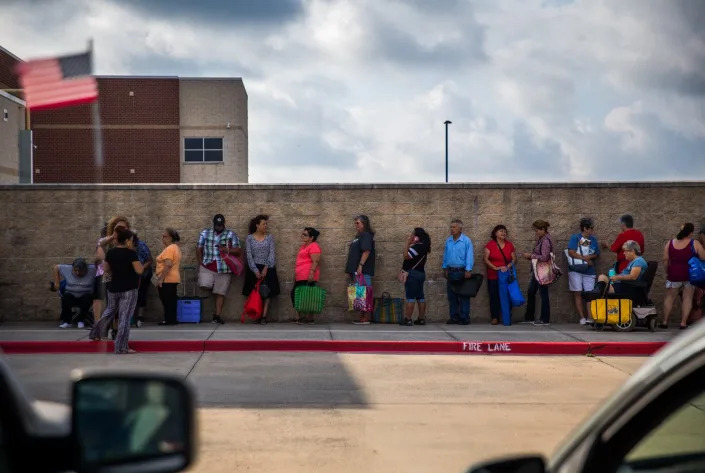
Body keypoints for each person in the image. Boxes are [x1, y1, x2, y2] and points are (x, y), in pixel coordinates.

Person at [89, 228, 144, 354]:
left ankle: (95, 332)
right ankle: (121, 346)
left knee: (108, 312)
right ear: (127, 240)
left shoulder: (111, 253)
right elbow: (139, 270)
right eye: (130, 239)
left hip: (113, 288)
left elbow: (106, 269)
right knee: (124, 317)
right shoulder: (131, 254)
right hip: (129, 289)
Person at [196, 214, 241, 324]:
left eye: (221, 225)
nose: (219, 227)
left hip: (224, 268)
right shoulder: (205, 233)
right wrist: (201, 262)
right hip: (208, 265)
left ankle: (217, 316)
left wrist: (227, 250)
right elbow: (198, 248)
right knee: (204, 285)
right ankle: (213, 288)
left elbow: (238, 250)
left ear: (224, 224)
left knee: (220, 292)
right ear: (214, 224)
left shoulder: (231, 234)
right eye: (217, 225)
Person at [660, 223, 705, 330]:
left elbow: (665, 259)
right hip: (690, 274)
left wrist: (668, 271)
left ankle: (665, 321)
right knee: (687, 298)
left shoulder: (670, 243)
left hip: (674, 273)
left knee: (669, 298)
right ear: (691, 232)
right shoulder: (695, 243)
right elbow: (703, 257)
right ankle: (683, 323)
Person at [243, 215, 281, 324]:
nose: (266, 226)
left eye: (266, 224)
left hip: (268, 268)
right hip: (254, 268)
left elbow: (272, 254)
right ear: (257, 225)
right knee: (256, 293)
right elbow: (249, 256)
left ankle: (264, 316)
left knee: (267, 293)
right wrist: (255, 271)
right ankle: (257, 315)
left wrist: (266, 268)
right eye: (264, 224)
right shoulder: (249, 238)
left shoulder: (269, 238)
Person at [567, 218, 600, 325]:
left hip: (589, 270)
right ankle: (582, 317)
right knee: (578, 292)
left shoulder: (593, 239)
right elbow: (571, 252)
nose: (592, 230)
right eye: (591, 228)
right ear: (584, 228)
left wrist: (590, 257)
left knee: (590, 294)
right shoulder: (575, 238)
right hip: (575, 269)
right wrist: (585, 259)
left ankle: (590, 317)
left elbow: (596, 253)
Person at [344, 215, 376, 325]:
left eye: (358, 223)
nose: (356, 225)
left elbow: (366, 251)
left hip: (363, 270)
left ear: (364, 223)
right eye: (355, 223)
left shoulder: (366, 235)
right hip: (356, 270)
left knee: (365, 292)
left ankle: (366, 317)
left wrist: (361, 265)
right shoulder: (359, 236)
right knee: (359, 294)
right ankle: (362, 316)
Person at [442, 219, 474, 325]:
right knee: (452, 296)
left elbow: (469, 256)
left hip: (462, 272)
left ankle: (464, 317)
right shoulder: (448, 241)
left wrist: (468, 270)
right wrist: (445, 268)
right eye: (451, 227)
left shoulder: (466, 241)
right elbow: (446, 255)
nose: (452, 229)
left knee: (463, 295)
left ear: (460, 228)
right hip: (451, 271)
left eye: (454, 227)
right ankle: (454, 317)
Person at [522, 220, 554, 326]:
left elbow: (545, 257)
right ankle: (530, 317)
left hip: (542, 271)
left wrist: (531, 256)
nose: (536, 232)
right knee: (531, 291)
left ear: (543, 229)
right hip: (538, 270)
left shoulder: (545, 241)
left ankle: (545, 319)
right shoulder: (542, 239)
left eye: (537, 230)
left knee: (543, 293)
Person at [483, 225, 516, 326]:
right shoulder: (490, 245)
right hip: (493, 275)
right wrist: (495, 267)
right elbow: (485, 259)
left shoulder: (509, 245)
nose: (503, 233)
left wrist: (511, 264)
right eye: (501, 231)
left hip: (506, 276)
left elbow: (514, 258)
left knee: (507, 295)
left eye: (505, 231)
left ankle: (507, 315)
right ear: (495, 233)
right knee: (494, 296)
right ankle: (495, 317)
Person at [52, 258, 95, 329]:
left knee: (88, 297)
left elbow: (103, 267)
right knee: (65, 297)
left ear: (85, 269)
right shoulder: (67, 269)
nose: (77, 273)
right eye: (75, 270)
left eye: (80, 271)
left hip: (85, 296)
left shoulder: (92, 269)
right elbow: (56, 267)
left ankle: (80, 320)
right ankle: (67, 321)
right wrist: (57, 281)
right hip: (71, 295)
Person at [400, 227, 431, 326]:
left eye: (413, 234)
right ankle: (421, 318)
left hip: (413, 274)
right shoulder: (424, 246)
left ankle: (408, 319)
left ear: (417, 237)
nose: (411, 236)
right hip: (421, 274)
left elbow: (406, 256)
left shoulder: (417, 247)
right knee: (420, 296)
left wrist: (407, 244)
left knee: (410, 297)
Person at [291, 227, 322, 325]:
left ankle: (308, 318)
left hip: (308, 275)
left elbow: (315, 261)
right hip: (300, 276)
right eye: (302, 234)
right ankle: (301, 317)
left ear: (311, 237)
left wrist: (311, 273)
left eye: (305, 235)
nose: (302, 236)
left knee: (308, 296)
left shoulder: (314, 246)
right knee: (297, 295)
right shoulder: (303, 246)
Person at [155, 228, 182, 326]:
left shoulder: (170, 248)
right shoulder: (175, 247)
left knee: (167, 300)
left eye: (164, 236)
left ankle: (169, 320)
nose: (162, 238)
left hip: (167, 279)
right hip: (172, 278)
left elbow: (168, 264)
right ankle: (171, 319)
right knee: (170, 300)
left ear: (171, 237)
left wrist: (161, 278)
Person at [132, 232, 153, 328]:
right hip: (132, 274)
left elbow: (149, 260)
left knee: (141, 293)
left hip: (143, 273)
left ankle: (139, 316)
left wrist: (142, 269)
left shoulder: (141, 246)